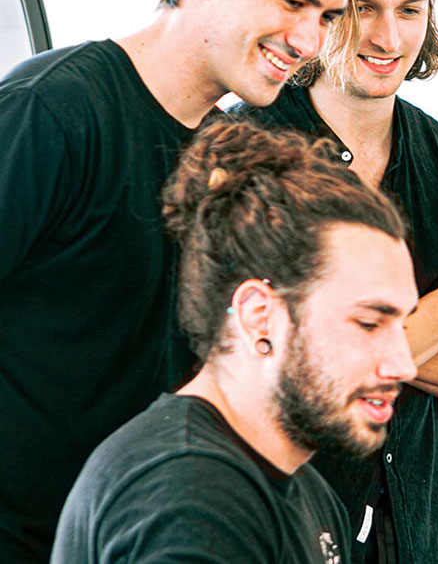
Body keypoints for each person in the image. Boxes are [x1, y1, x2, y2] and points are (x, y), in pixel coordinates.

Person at [0, 0, 352, 560]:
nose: (309, 41)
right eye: (293, 2)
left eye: (326, 17)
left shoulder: (237, 162)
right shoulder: (51, 110)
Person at [235, 0, 438, 560]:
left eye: (410, 9)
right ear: (321, 7)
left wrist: (347, 348)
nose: (389, 39)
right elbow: (246, 359)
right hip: (286, 537)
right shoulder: (242, 148)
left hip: (427, 541)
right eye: (363, 7)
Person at [51, 120, 418, 563]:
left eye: (402, 325)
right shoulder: (189, 500)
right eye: (369, 323)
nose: (404, 365)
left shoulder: (305, 492)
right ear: (259, 316)